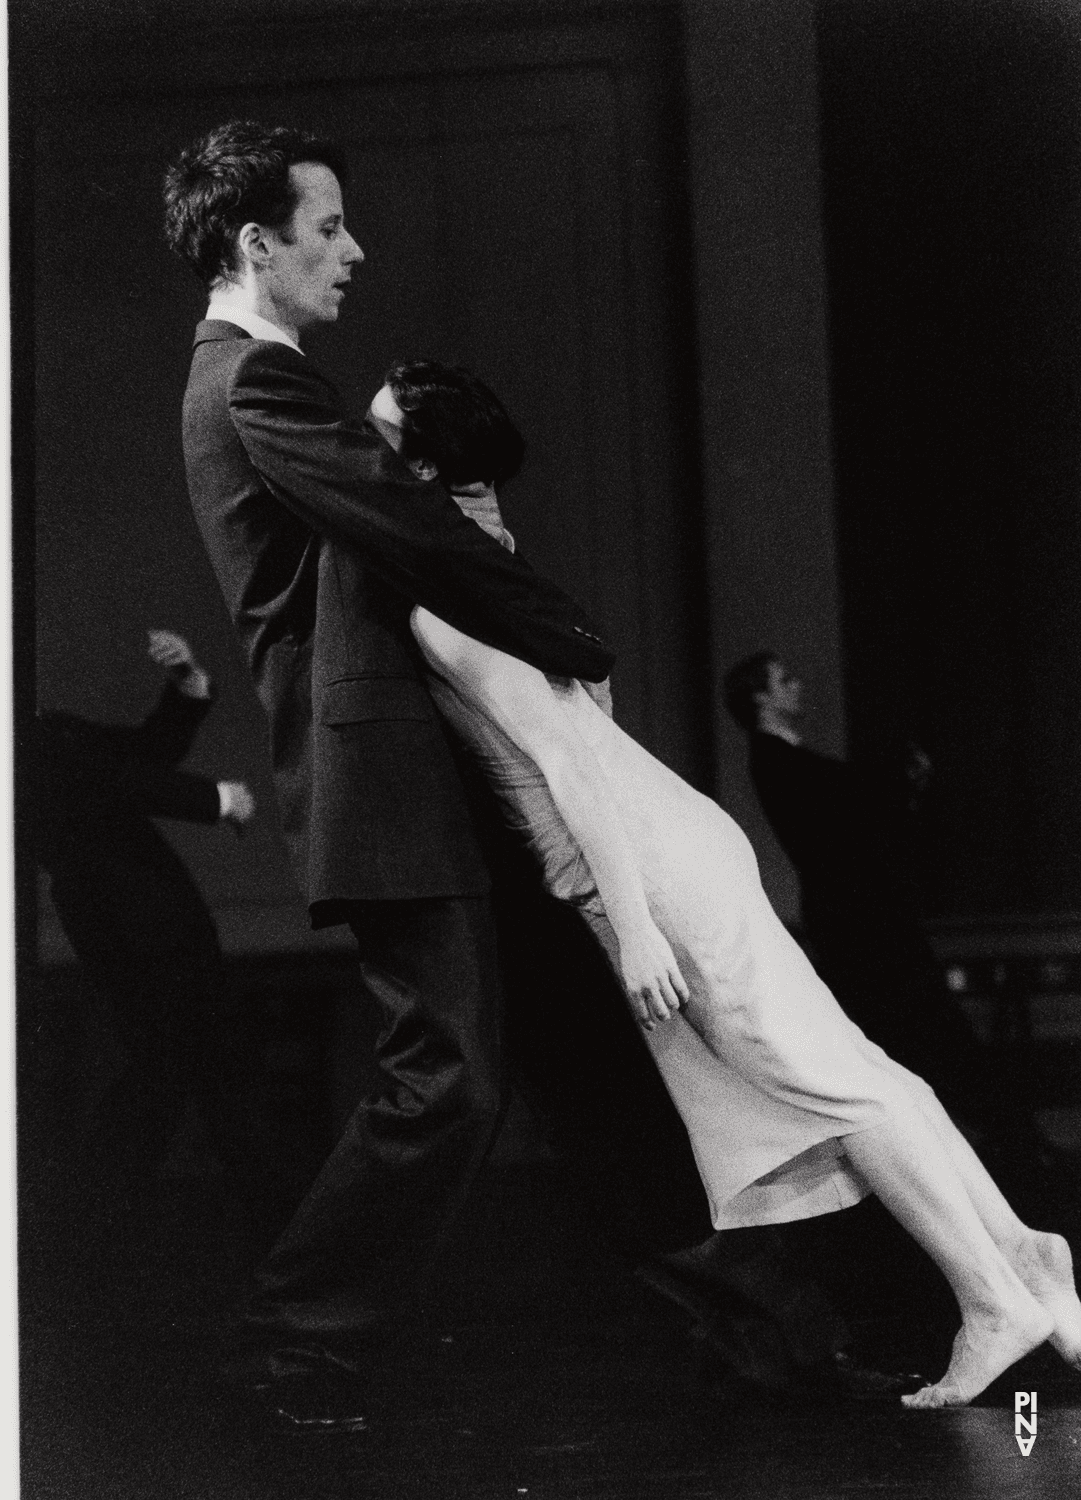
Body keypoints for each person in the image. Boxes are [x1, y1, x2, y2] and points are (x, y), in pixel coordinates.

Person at [367, 359, 1081, 1409]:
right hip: (670, 841)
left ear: (419, 465)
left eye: (374, 435)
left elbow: (566, 760)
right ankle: (1027, 1263)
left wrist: (636, 925)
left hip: (644, 865)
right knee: (856, 1068)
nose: (354, 445)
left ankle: (991, 1299)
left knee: (827, 1082)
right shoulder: (492, 555)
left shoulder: (447, 591)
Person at [163, 120, 614, 1430]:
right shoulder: (255, 384)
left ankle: (770, 1334)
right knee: (452, 1076)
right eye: (327, 228)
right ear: (258, 243)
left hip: (411, 778)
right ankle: (292, 1341)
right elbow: (410, 524)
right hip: (381, 788)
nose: (352, 251)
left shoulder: (255, 378)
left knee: (564, 1054)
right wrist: (569, 634)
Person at [721, 653, 1020, 1136]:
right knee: (922, 1038)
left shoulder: (785, 759)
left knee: (914, 1040)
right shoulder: (776, 758)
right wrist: (902, 776)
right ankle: (1007, 1147)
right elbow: (849, 796)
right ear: (760, 697)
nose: (798, 685)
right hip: (862, 925)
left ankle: (995, 1144)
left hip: (861, 921)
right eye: (785, 679)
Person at [33, 629, 257, 1179]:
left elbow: (140, 755)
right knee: (181, 1066)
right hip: (127, 918)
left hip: (142, 914)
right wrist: (217, 801)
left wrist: (184, 683)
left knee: (181, 1066)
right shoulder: (12, 736)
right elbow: (114, 781)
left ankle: (97, 1210)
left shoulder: (43, 730)